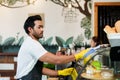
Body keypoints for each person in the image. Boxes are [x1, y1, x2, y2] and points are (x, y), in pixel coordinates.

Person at [15, 15, 84, 80]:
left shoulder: (31, 42)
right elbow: (57, 60)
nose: (42, 29)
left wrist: (59, 73)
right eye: (39, 27)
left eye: (42, 27)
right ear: (30, 29)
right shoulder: (32, 44)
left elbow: (39, 69)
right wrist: (78, 55)